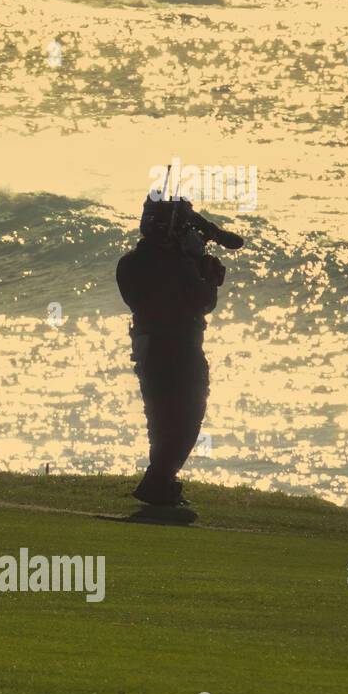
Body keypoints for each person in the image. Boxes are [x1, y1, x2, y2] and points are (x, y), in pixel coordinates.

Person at [116, 194, 226, 506]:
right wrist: (209, 278)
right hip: (178, 349)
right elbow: (203, 302)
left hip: (148, 348)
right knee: (187, 415)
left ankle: (162, 482)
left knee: (161, 419)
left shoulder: (129, 263)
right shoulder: (178, 267)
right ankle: (158, 481)